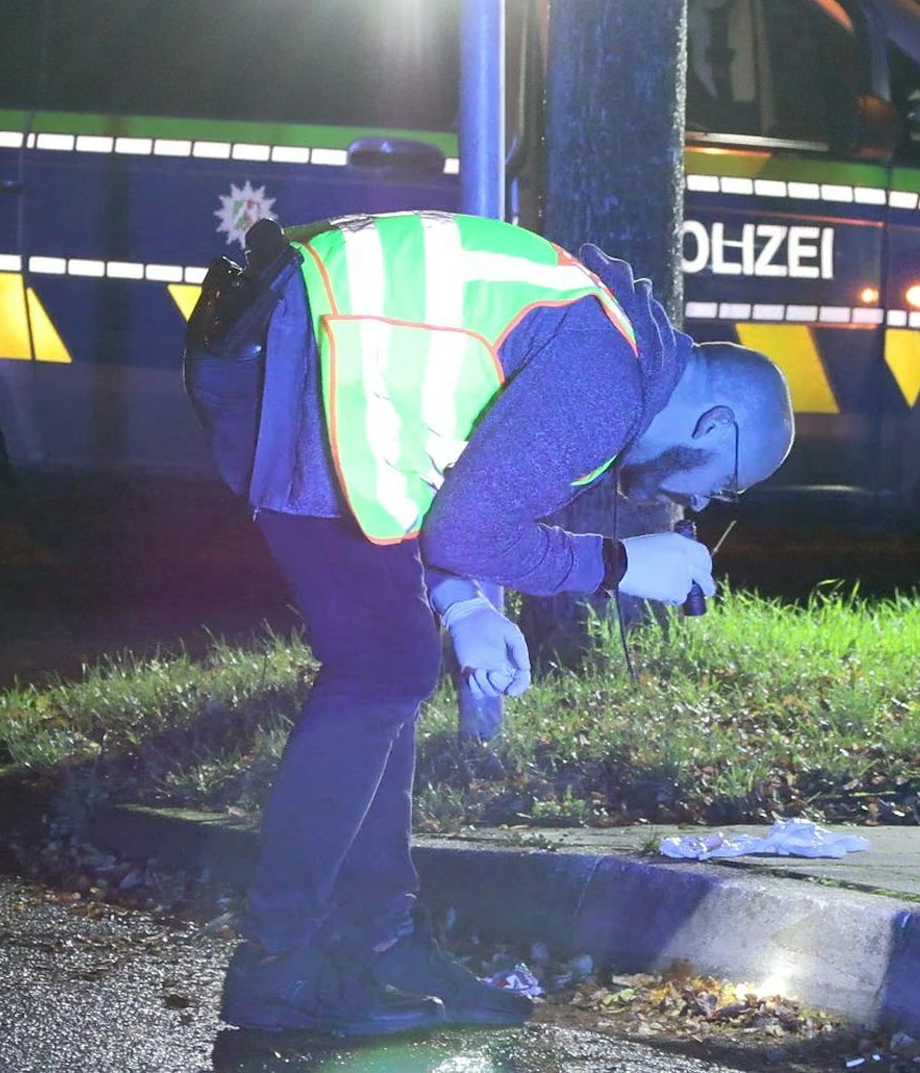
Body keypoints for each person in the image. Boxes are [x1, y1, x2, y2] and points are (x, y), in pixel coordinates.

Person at [184, 210, 793, 1033]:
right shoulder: (606, 379)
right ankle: (277, 967)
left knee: (393, 660)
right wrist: (621, 565)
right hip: (296, 365)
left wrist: (462, 601)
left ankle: (383, 943)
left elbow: (450, 471)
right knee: (384, 665)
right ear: (714, 427)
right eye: (719, 486)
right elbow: (468, 527)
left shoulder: (609, 346)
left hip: (303, 354)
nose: (689, 504)